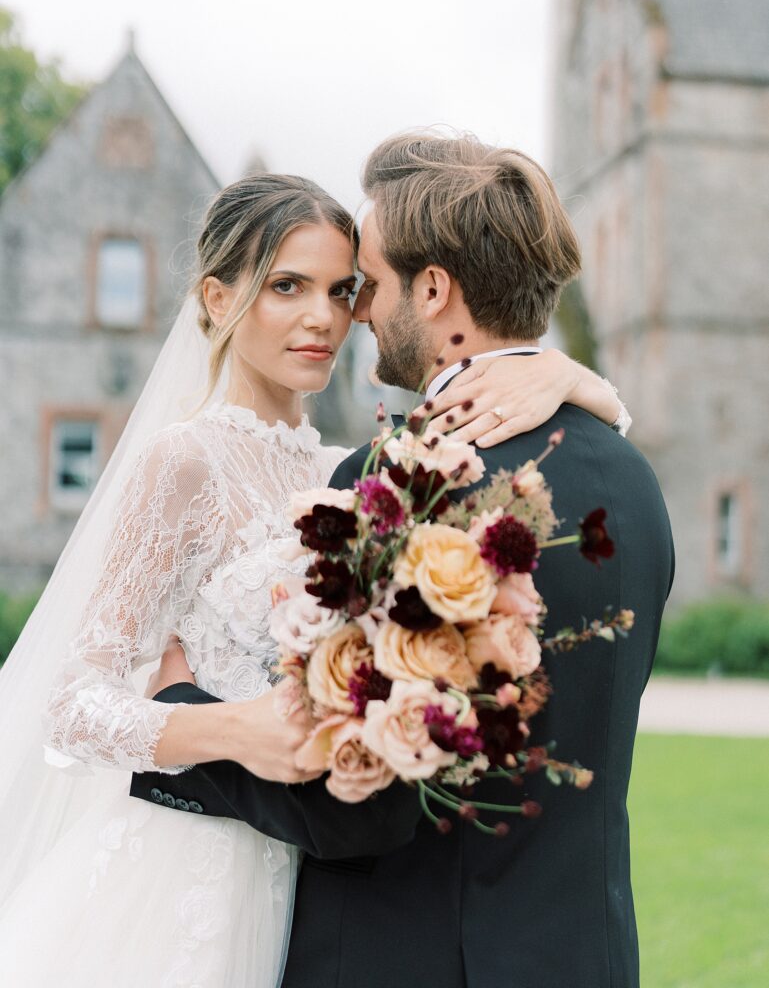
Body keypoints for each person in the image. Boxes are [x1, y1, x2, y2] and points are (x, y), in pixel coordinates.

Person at [0, 170, 626, 987]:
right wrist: (232, 730)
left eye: (342, 290)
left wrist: (575, 380)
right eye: (286, 286)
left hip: (303, 880)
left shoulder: (351, 471)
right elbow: (71, 703)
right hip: (177, 871)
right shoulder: (183, 460)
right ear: (218, 300)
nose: (323, 318)